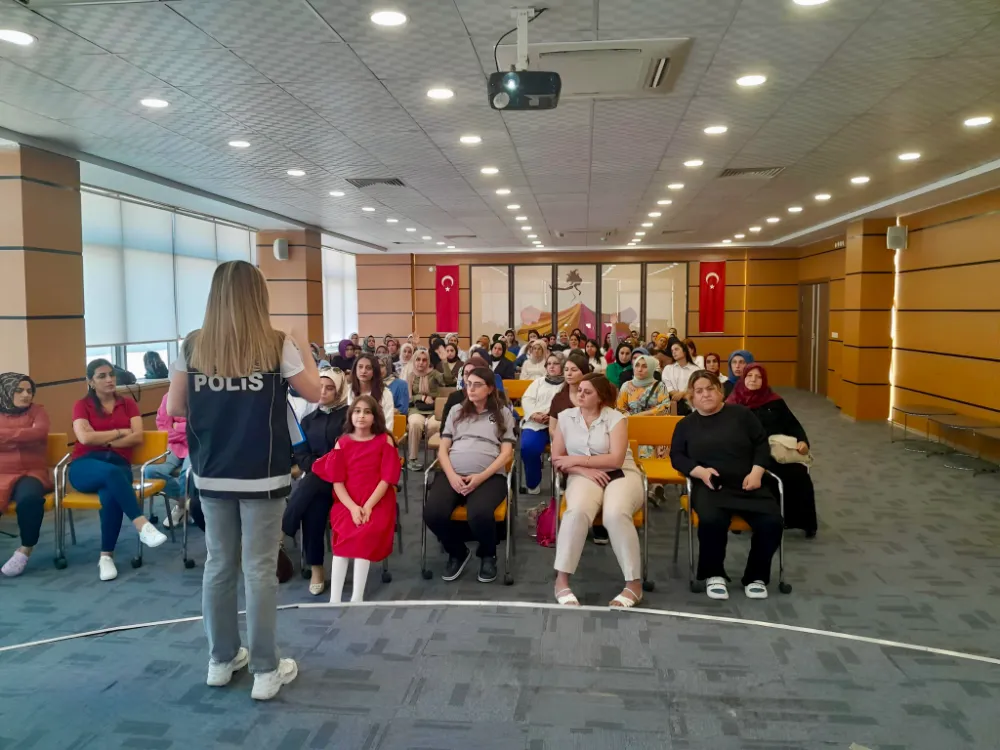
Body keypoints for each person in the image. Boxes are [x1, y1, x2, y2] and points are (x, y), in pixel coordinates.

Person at [167, 260, 322, 701]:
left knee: (218, 564)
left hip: (212, 471)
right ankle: (265, 670)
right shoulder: (276, 344)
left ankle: (220, 660)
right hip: (263, 472)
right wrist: (302, 344)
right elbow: (316, 392)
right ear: (258, 295)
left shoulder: (193, 345)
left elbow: (175, 407)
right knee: (258, 569)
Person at [669, 371, 783, 600]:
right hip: (711, 485)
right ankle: (714, 574)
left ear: (720, 391)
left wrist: (757, 471)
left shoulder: (742, 415)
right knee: (712, 521)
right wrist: (700, 472)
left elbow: (761, 444)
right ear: (692, 397)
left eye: (710, 389)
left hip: (748, 482)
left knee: (772, 522)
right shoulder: (685, 425)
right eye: (699, 391)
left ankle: (756, 576)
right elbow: (677, 456)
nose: (705, 394)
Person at [551, 373, 645, 608]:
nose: (580, 395)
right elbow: (557, 458)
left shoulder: (616, 418)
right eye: (579, 390)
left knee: (616, 514)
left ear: (600, 397)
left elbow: (615, 460)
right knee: (577, 511)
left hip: (622, 472)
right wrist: (583, 470)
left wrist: (576, 460)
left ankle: (633, 584)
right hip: (584, 474)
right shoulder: (565, 417)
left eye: (587, 392)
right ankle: (561, 581)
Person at [71, 359, 168, 581]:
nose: (109, 379)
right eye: (102, 376)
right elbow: (84, 438)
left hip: (118, 462)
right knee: (112, 475)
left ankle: (106, 557)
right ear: (90, 381)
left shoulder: (128, 404)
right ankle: (141, 524)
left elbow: (137, 436)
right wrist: (119, 433)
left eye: (111, 375)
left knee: (110, 493)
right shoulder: (81, 405)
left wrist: (102, 439)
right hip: (85, 465)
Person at [423, 367, 515, 584]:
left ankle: (488, 554)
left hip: (489, 476)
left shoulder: (502, 413)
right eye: (468, 384)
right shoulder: (456, 411)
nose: (471, 388)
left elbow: (507, 453)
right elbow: (443, 450)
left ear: (490, 388)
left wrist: (481, 477)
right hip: (453, 473)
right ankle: (457, 552)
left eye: (477, 384)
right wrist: (451, 476)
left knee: (479, 513)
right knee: (433, 514)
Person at [309, 395, 400, 603]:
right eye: (357, 411)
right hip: (347, 502)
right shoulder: (342, 443)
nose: (361, 416)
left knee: (363, 535)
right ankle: (334, 599)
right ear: (350, 415)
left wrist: (367, 506)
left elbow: (386, 479)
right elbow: (337, 481)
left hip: (376, 501)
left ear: (375, 416)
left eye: (367, 412)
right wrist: (352, 507)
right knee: (342, 542)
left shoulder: (384, 440)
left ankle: (357, 598)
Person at [280, 369, 349, 595]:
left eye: (330, 388)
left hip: (344, 480)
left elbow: (347, 453)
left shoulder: (349, 416)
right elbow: (301, 454)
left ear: (339, 390)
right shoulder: (308, 420)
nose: (323, 392)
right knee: (313, 509)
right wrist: (318, 466)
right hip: (317, 480)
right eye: (320, 387)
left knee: (310, 486)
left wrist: (322, 466)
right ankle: (317, 568)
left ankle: (282, 530)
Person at [728, 364, 817, 538]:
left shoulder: (774, 401)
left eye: (758, 377)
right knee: (748, 474)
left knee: (798, 473)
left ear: (764, 380)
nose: (753, 380)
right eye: (749, 376)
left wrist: (802, 441)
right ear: (743, 378)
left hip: (774, 452)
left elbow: (793, 425)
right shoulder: (732, 403)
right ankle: (747, 518)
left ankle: (801, 521)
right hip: (745, 454)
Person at [0, 373, 52, 577]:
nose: (25, 395)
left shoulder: (38, 411)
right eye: (19, 390)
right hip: (2, 472)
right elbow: (30, 435)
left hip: (31, 472)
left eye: (29, 391)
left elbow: (39, 433)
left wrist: (5, 436)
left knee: (29, 499)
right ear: (6, 392)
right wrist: (23, 435)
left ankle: (25, 550)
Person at [519, 352, 565, 495]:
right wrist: (534, 414)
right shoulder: (538, 382)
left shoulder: (567, 384)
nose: (551, 366)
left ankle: (563, 482)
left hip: (560, 424)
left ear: (563, 366)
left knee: (568, 447)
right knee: (529, 447)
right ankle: (533, 483)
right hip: (536, 423)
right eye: (549, 364)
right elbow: (527, 399)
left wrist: (551, 416)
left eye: (556, 363)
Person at [144, 392, 190, 529]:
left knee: (187, 475)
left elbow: (203, 428)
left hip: (198, 446)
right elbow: (164, 430)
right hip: (174, 446)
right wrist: (186, 430)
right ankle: (186, 503)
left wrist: (177, 426)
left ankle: (181, 507)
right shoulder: (169, 397)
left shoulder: (205, 395)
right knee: (150, 471)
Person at [616, 355, 670, 449]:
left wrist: (641, 416)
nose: (639, 369)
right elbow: (619, 409)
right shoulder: (626, 386)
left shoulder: (659, 386)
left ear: (651, 368)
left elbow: (665, 408)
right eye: (637, 365)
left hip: (654, 429)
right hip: (631, 428)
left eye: (645, 366)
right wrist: (632, 419)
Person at [406, 350, 444, 470]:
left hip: (433, 409)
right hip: (416, 409)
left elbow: (448, 380)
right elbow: (408, 397)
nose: (421, 362)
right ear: (414, 361)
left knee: (435, 425)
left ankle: (437, 458)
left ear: (428, 362)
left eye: (424, 360)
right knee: (415, 424)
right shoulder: (411, 376)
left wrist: (445, 361)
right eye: (418, 359)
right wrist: (421, 397)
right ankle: (412, 459)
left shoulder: (434, 373)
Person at [348, 353, 394, 422]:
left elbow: (388, 423)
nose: (363, 371)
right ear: (355, 369)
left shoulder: (386, 394)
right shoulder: (348, 391)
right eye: (360, 367)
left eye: (368, 368)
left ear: (374, 371)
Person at [664, 339, 700, 415]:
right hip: (674, 404)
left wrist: (682, 394)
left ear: (684, 351)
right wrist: (683, 395)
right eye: (672, 350)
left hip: (693, 405)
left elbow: (696, 387)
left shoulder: (696, 369)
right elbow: (668, 388)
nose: (674, 352)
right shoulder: (668, 369)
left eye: (676, 349)